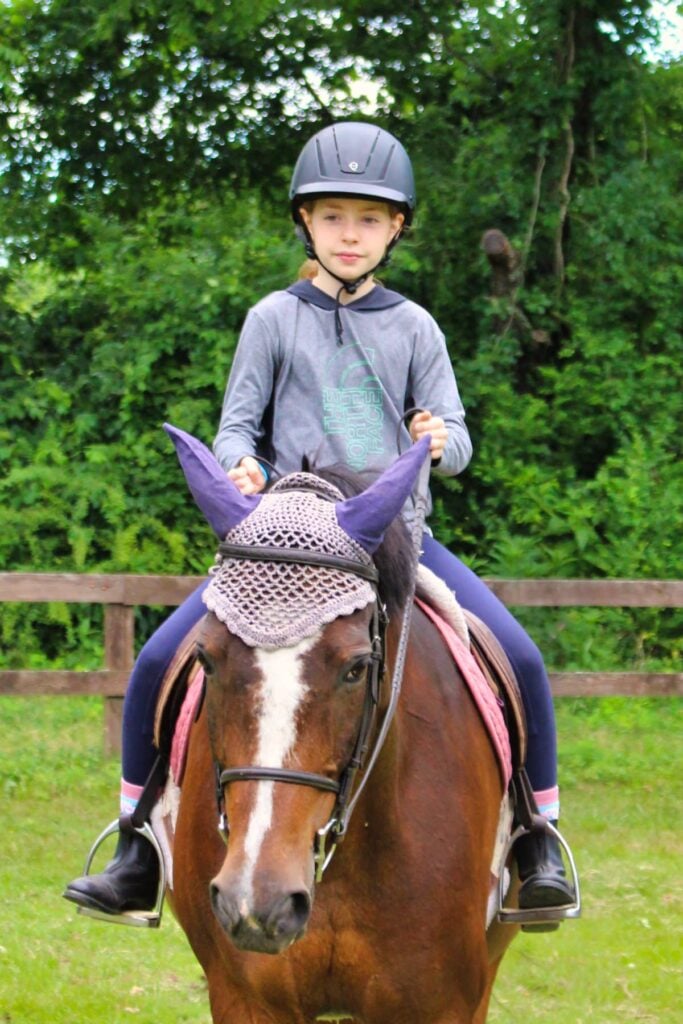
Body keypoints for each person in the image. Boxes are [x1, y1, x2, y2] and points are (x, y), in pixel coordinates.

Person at [64, 121, 576, 923]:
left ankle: (535, 841)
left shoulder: (415, 327)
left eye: (368, 219)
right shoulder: (272, 318)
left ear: (395, 228)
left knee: (521, 658)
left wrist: (440, 440)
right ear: (305, 221)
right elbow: (236, 428)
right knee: (158, 660)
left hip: (394, 543)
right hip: (283, 548)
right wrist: (241, 464)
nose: (349, 233)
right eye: (332, 216)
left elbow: (459, 442)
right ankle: (137, 847)